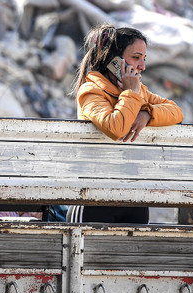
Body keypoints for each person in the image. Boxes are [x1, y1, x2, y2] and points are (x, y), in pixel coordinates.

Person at [68, 23, 184, 223]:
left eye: (144, 59)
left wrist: (148, 112)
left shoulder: (140, 91)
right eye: (136, 58)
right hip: (94, 197)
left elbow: (176, 112)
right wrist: (130, 93)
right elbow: (116, 128)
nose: (142, 66)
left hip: (133, 194)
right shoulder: (91, 92)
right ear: (113, 60)